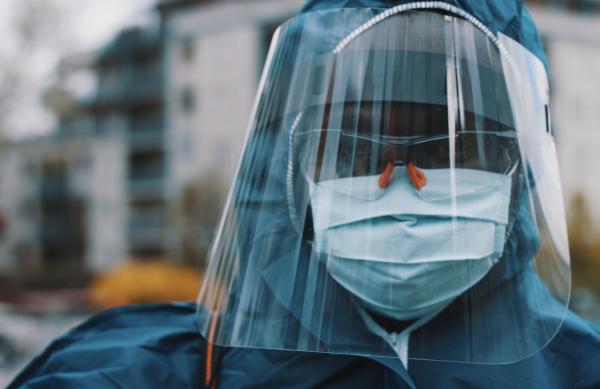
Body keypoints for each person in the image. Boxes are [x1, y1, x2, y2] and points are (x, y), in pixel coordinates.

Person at [9, 1, 600, 388]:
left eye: (454, 148)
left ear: (520, 169)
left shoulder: (583, 371)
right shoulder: (132, 376)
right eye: (352, 149)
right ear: (286, 169)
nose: (401, 181)